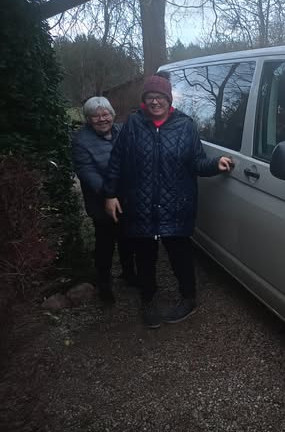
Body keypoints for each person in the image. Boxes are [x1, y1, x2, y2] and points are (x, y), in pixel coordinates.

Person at [104, 72, 234, 329]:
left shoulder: (185, 125)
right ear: (144, 100)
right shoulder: (133, 124)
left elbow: (196, 161)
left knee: (180, 255)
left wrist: (214, 164)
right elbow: (116, 161)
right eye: (150, 97)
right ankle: (148, 300)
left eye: (160, 97)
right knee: (145, 257)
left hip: (176, 204)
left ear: (169, 99)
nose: (155, 102)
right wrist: (110, 194)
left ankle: (189, 298)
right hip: (141, 204)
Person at [72, 97, 136, 304]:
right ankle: (104, 284)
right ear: (88, 119)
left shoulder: (122, 131)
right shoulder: (81, 140)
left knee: (127, 238)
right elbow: (87, 172)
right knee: (105, 244)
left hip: (126, 198)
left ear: (112, 115)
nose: (102, 119)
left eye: (105, 114)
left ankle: (128, 273)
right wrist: (110, 195)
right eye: (95, 116)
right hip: (100, 202)